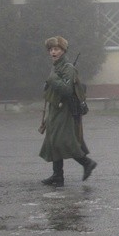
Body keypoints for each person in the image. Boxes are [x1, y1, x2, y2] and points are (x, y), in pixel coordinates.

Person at [39, 36, 97, 187]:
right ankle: (58, 176)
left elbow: (67, 89)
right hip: (55, 109)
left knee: (63, 141)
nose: (53, 52)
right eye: (51, 49)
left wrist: (53, 80)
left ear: (63, 51)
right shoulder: (56, 67)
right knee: (53, 140)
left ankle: (87, 163)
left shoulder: (68, 68)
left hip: (64, 110)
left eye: (56, 49)